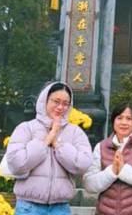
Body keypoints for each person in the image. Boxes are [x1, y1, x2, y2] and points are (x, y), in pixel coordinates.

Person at [6, 82, 93, 214]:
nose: (60, 107)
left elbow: (83, 164)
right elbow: (17, 163)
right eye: (56, 101)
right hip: (29, 207)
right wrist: (47, 139)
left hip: (60, 208)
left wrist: (58, 144)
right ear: (44, 100)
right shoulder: (26, 128)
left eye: (65, 103)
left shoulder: (75, 132)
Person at [82, 103, 132, 215]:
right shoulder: (101, 147)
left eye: (129, 118)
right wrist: (112, 171)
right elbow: (89, 184)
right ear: (113, 120)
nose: (124, 122)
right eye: (119, 118)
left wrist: (124, 170)